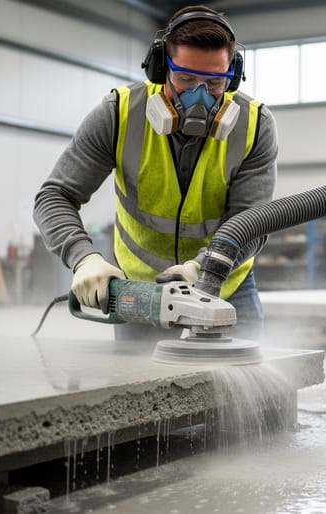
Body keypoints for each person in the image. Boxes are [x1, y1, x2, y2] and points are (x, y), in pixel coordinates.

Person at [33, 5, 277, 341]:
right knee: (139, 387)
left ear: (231, 76)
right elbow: (54, 197)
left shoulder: (254, 126)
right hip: (142, 291)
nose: (199, 96)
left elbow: (252, 221)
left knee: (248, 385)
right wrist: (84, 258)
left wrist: (203, 269)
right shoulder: (119, 116)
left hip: (224, 283)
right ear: (161, 68)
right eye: (186, 78)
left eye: (215, 81)